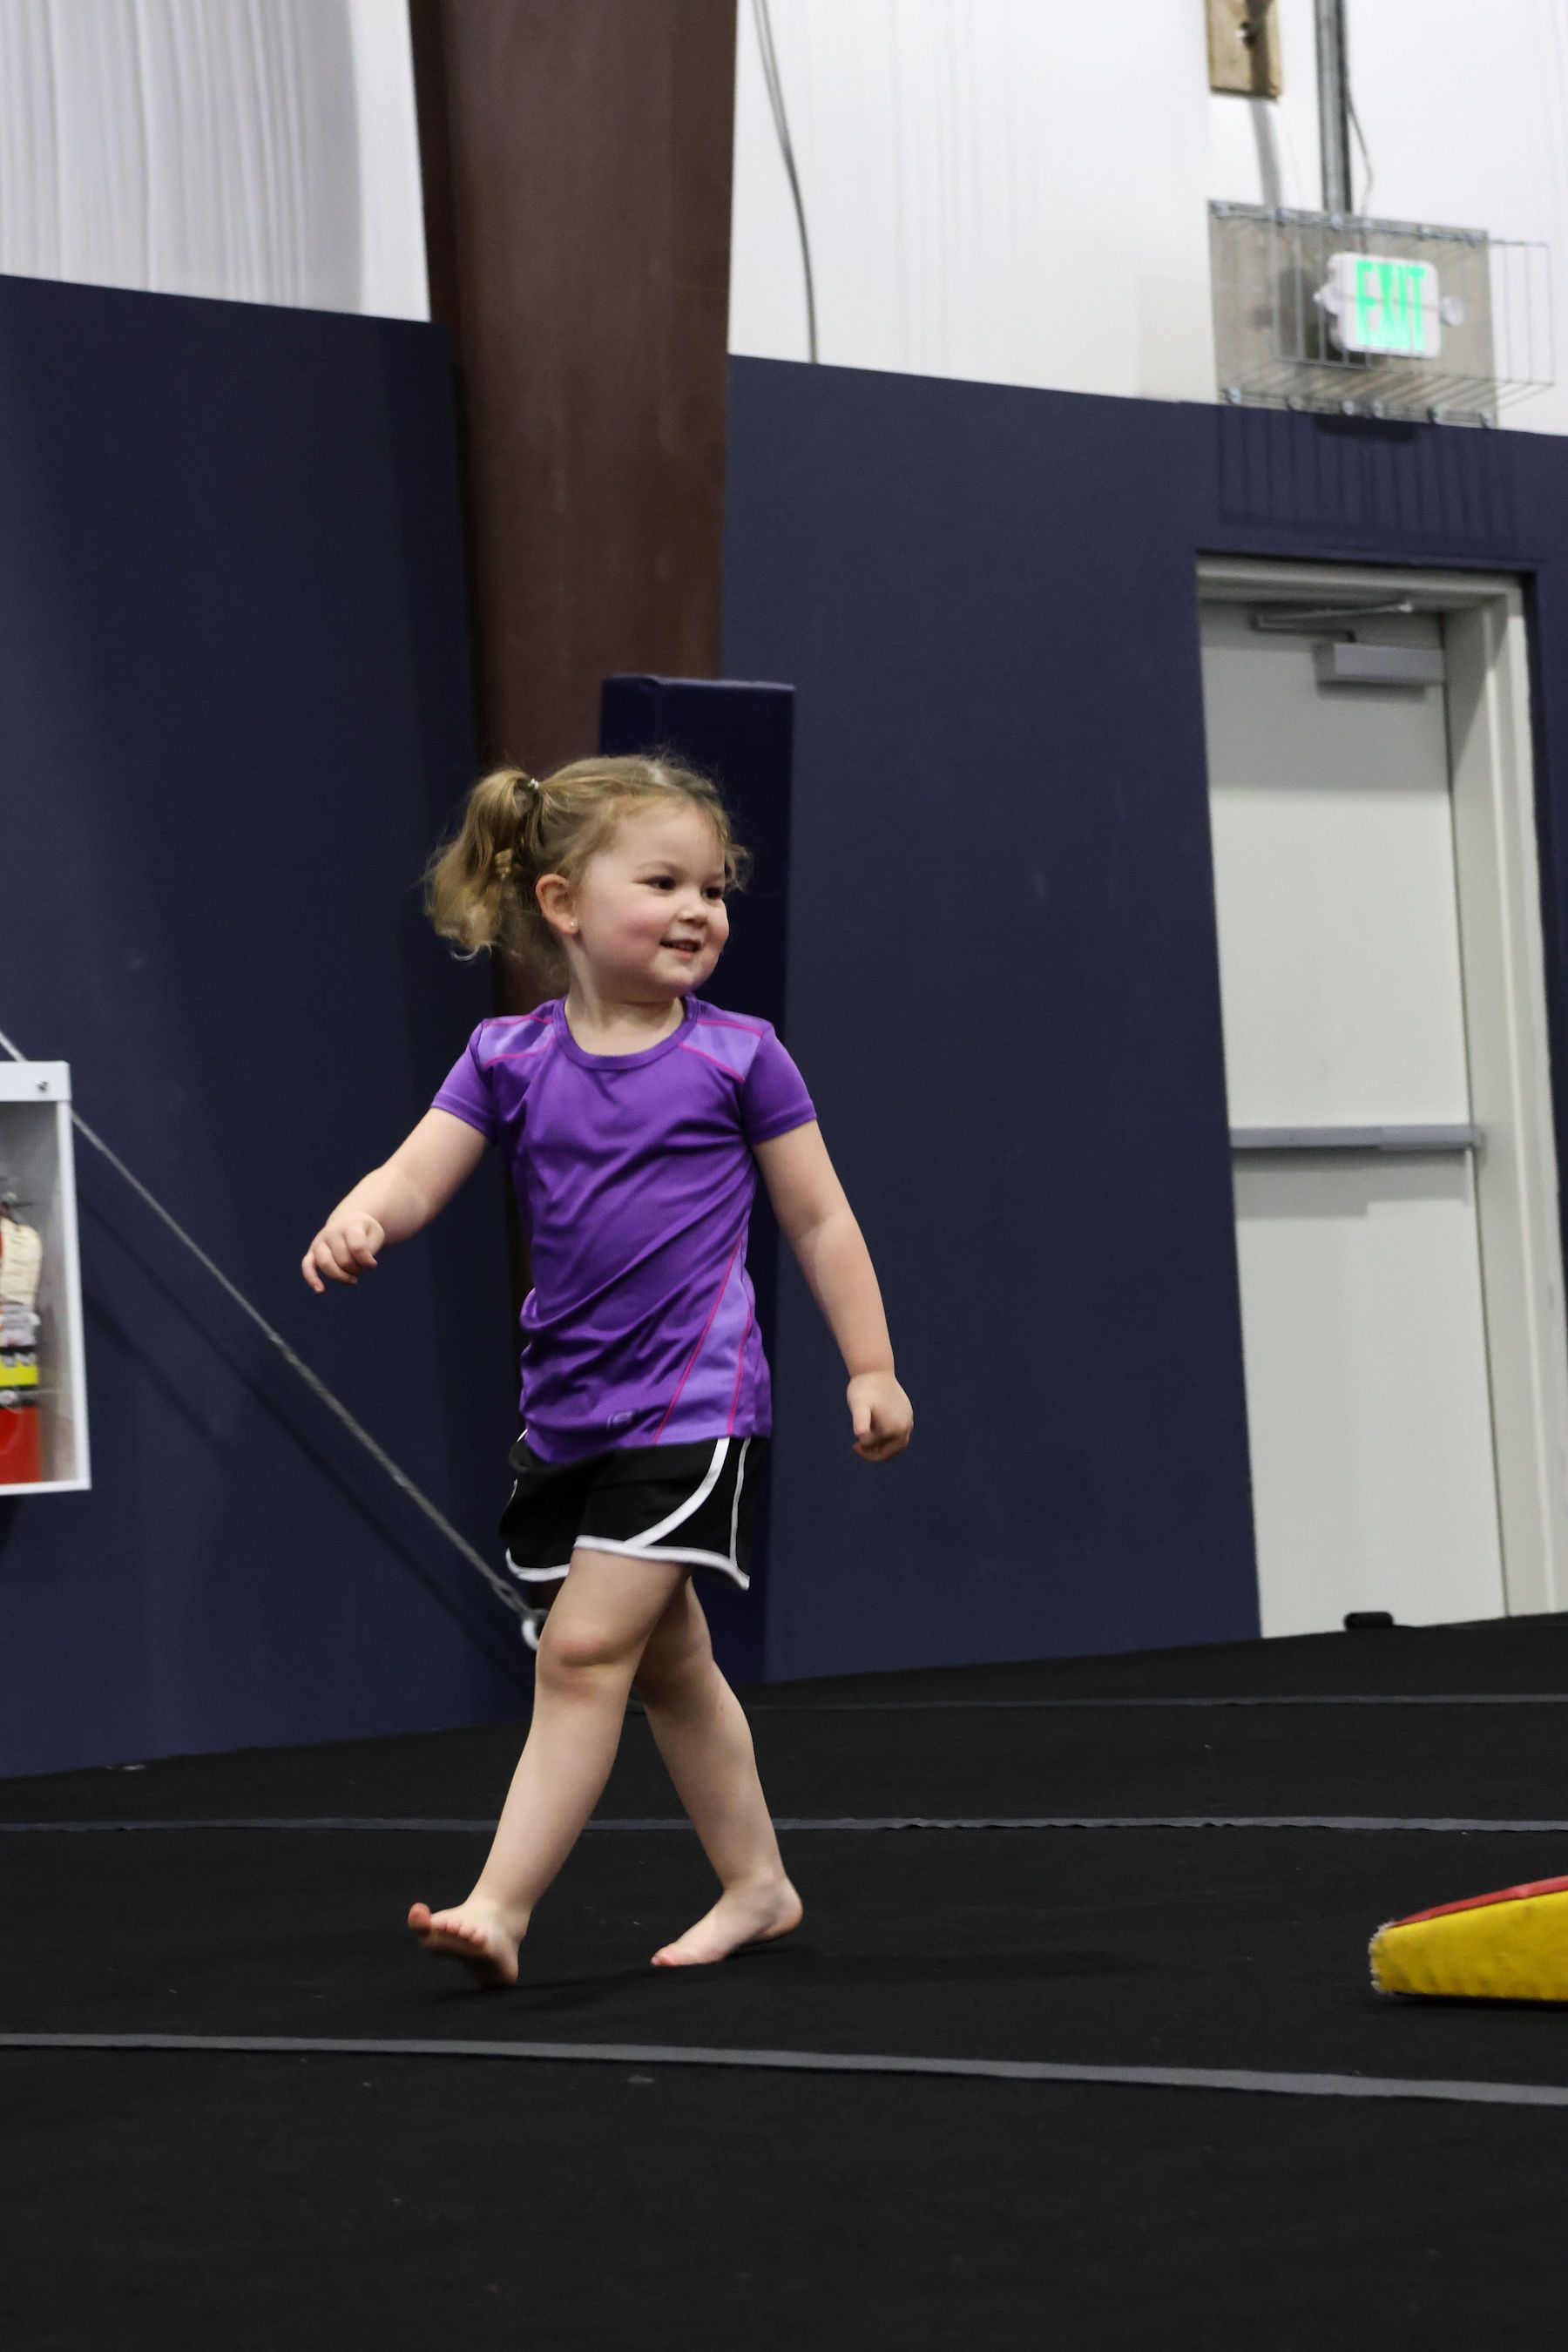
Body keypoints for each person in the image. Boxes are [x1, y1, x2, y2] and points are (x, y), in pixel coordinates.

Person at [301, 754, 913, 1986]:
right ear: (563, 903)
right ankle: (758, 1883)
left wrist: (871, 1364)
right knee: (672, 1664)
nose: (699, 909)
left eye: (714, 887)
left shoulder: (740, 1059)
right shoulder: (508, 1059)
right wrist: (363, 1215)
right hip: (572, 1407)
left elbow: (821, 1220)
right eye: (664, 882)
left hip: (692, 1402)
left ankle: (502, 1904)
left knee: (580, 1656)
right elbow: (420, 1168)